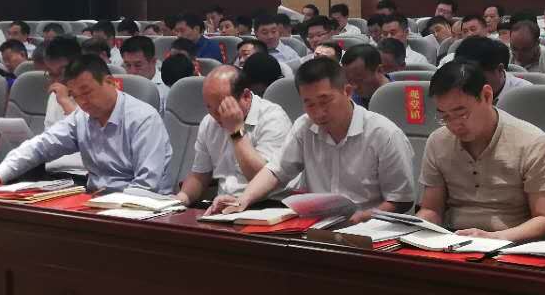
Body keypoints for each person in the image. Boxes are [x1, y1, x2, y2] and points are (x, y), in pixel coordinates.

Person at [210, 57, 415, 220]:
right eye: (309, 104)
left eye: (325, 101)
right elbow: (275, 171)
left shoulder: (384, 134)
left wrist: (367, 216)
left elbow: (401, 200)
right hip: (318, 226)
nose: (318, 112)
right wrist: (243, 200)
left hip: (370, 229)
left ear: (347, 92)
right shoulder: (304, 126)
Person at [0, 55, 172, 192]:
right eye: (75, 96)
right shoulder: (82, 118)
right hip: (97, 202)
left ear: (110, 82)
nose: (82, 102)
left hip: (144, 209)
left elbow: (148, 185)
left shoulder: (143, 118)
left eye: (87, 92)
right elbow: (40, 146)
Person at [417, 61, 545, 241]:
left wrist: (495, 237)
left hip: (512, 243)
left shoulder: (532, 142)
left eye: (461, 114)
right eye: (444, 116)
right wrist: (415, 227)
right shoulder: (438, 141)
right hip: (453, 240)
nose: (454, 125)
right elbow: (432, 209)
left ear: (486, 96)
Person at [174, 66, 292, 206]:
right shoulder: (209, 122)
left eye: (222, 107)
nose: (216, 115)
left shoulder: (273, 118)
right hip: (224, 203)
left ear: (246, 96)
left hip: (269, 204)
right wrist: (181, 198)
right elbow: (200, 175)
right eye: (209, 107)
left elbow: (264, 179)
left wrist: (236, 131)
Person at [452, 35, 526, 96]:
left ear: (499, 69)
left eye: (477, 79)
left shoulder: (524, 94)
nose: (471, 86)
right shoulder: (455, 89)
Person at [120, 34, 168, 111]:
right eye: (128, 65)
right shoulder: (119, 85)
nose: (132, 71)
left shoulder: (166, 90)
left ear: (153, 62)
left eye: (138, 65)